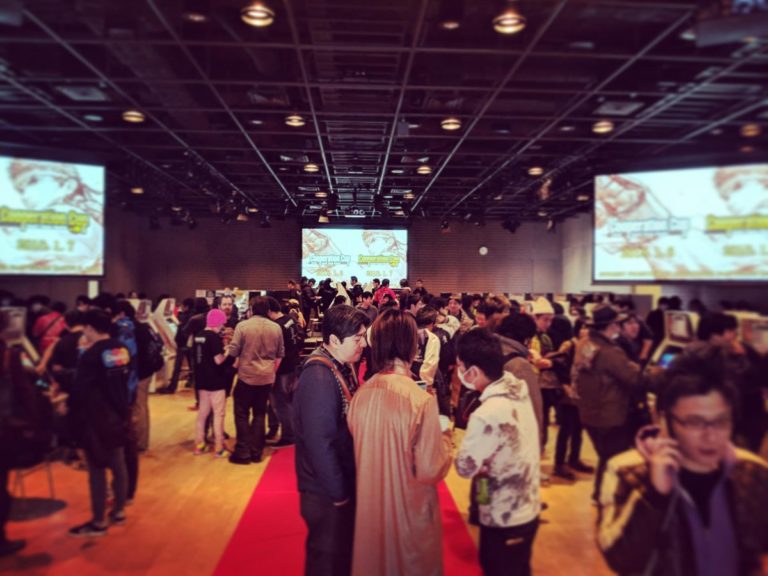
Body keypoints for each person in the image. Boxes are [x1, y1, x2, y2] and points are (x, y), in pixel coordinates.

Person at [597, 351, 768, 576]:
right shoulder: (628, 471)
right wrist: (654, 497)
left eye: (721, 421)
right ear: (664, 419)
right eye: (694, 422)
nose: (710, 436)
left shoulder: (751, 471)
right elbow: (620, 559)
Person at [348, 308, 452, 576]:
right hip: (410, 509)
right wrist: (446, 436)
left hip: (370, 508)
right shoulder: (420, 400)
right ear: (411, 345)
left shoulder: (361, 395)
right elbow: (430, 469)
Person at [455, 329, 541, 576]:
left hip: (504, 514)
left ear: (473, 372)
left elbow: (465, 467)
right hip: (527, 504)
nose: (459, 373)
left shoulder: (486, 414)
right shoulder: (517, 386)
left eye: (461, 367)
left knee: (498, 567)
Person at [294, 305, 369, 576]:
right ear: (335, 340)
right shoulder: (319, 376)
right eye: (357, 338)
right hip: (324, 490)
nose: (363, 344)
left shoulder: (337, 366)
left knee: (339, 556)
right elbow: (320, 443)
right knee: (327, 560)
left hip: (332, 483)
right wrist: (339, 493)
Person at [68, 309, 131, 537]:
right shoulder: (121, 349)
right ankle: (119, 511)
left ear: (90, 328)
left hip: (95, 419)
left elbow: (79, 391)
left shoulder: (91, 354)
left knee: (96, 469)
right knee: (118, 465)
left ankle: (98, 522)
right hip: (119, 414)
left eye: (84, 329)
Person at [572, 305, 642, 502]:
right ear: (611, 326)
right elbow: (634, 378)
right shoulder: (610, 352)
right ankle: (608, 497)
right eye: (617, 324)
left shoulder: (585, 343)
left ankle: (599, 494)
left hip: (589, 413)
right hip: (609, 414)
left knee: (605, 455)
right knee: (615, 457)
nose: (619, 327)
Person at [226, 296, 284, 464]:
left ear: (251, 310)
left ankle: (243, 451)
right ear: (267, 310)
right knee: (259, 413)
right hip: (266, 377)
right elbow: (280, 354)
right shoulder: (276, 328)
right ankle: (256, 452)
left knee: (241, 413)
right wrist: (272, 373)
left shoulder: (243, 326)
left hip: (246, 376)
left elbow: (234, 351)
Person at [192, 309, 233, 457]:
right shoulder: (213, 337)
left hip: (201, 380)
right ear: (218, 322)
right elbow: (218, 360)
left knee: (202, 414)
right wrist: (229, 353)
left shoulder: (198, 336)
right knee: (218, 414)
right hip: (216, 381)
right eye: (222, 323)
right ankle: (219, 447)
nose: (222, 326)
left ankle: (199, 445)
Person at [266, 297, 304, 447]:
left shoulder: (277, 326)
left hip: (283, 368)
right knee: (290, 402)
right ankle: (288, 431)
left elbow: (277, 352)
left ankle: (288, 435)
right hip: (294, 364)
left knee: (281, 403)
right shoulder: (289, 319)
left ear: (269, 311)